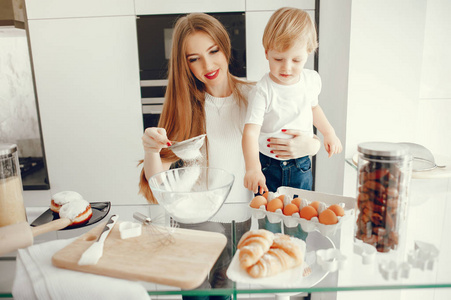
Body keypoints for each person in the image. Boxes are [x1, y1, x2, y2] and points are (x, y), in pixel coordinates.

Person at [138, 12, 320, 297]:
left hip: (244, 223)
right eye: (193, 58)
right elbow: (159, 181)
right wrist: (151, 149)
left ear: (225, 48)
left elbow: (302, 130)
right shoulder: (184, 107)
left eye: (213, 51)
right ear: (184, 64)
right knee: (200, 294)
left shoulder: (255, 95)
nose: (208, 65)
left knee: (227, 292)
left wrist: (313, 145)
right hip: (196, 224)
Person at [242, 7, 342, 196]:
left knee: (301, 215)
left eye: (296, 60)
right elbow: (250, 132)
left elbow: (313, 107)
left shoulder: (311, 80)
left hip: (301, 164)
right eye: (278, 58)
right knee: (268, 215)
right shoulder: (263, 90)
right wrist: (253, 168)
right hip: (268, 165)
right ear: (266, 53)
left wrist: (329, 132)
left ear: (309, 53)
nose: (286, 68)